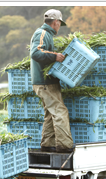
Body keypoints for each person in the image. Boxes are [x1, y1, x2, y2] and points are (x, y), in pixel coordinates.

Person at [30, 9, 74, 153]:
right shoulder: (41, 33)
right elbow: (36, 52)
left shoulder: (47, 34)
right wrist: (55, 56)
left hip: (47, 82)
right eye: (60, 24)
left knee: (50, 113)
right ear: (56, 22)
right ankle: (64, 146)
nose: (59, 26)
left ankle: (47, 144)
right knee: (60, 111)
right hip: (44, 83)